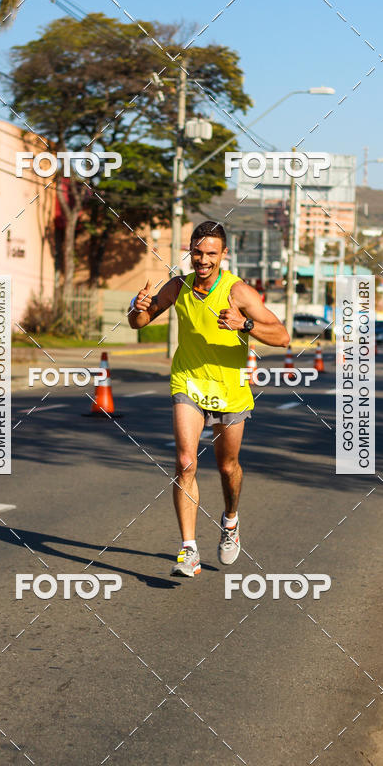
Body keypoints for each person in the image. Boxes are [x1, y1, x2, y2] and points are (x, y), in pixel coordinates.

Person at [128, 221, 290, 577]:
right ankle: (188, 549)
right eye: (197, 252)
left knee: (227, 467)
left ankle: (230, 519)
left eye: (210, 254)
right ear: (189, 251)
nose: (202, 260)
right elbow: (139, 322)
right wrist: (136, 306)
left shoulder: (239, 293)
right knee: (185, 462)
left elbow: (282, 336)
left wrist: (244, 325)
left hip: (230, 390)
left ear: (223, 255)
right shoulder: (178, 287)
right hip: (188, 381)